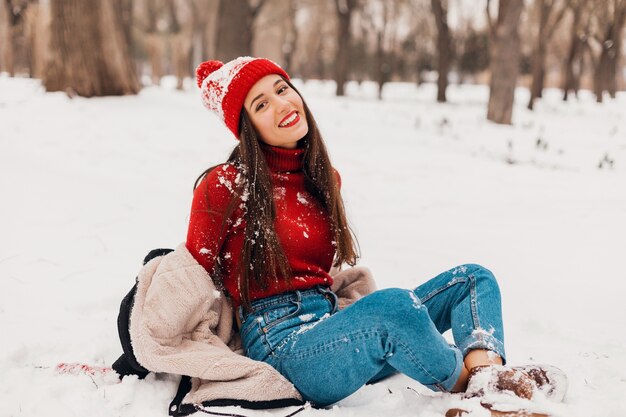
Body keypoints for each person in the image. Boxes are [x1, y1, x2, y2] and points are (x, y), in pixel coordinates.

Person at [185, 57, 566, 411]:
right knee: (394, 308)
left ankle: (486, 377)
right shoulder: (226, 184)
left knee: (472, 278)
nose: (282, 104)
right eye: (261, 104)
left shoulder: (322, 179)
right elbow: (191, 275)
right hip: (283, 349)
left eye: (282, 89)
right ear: (246, 127)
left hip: (333, 326)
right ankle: (485, 393)